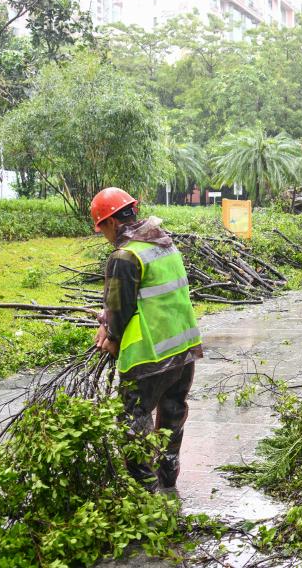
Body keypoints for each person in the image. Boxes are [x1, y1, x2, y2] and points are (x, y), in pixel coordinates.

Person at [90, 187, 203, 493]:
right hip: (184, 350)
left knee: (133, 422)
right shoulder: (164, 244)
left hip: (148, 355)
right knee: (172, 413)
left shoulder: (124, 255)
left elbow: (119, 307)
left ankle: (144, 493)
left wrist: (111, 335)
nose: (103, 234)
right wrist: (108, 323)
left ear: (111, 223)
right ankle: (168, 480)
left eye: (101, 228)